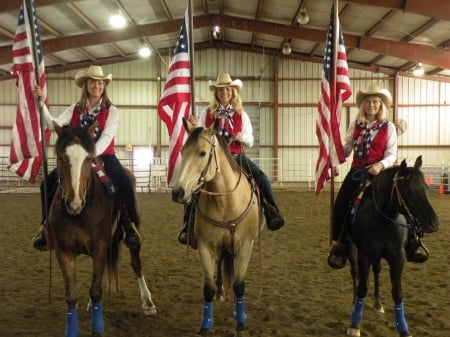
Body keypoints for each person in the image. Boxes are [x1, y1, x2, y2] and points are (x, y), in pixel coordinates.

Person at [31, 65, 141, 250]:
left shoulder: (112, 111)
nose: (96, 86)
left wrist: (89, 154)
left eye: (100, 83)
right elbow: (53, 124)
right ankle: (46, 226)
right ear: (86, 85)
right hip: (76, 158)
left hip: (104, 154)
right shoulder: (75, 108)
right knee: (46, 185)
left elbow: (107, 136)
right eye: (92, 83)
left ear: (104, 86)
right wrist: (41, 104)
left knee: (124, 181)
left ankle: (130, 225)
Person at [327, 84, 428, 269]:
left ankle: (413, 241)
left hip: (382, 173)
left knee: (405, 199)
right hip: (358, 171)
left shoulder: (388, 127)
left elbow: (391, 153)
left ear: (380, 105)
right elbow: (347, 147)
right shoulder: (355, 125)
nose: (371, 105)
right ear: (363, 104)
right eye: (368, 101)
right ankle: (340, 243)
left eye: (375, 101)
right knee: (341, 203)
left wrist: (380, 164)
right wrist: (332, 153)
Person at [178, 73, 284, 246]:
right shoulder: (207, 112)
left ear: (233, 92)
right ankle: (188, 225)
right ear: (216, 92)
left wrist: (242, 136)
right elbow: (200, 137)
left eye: (227, 89)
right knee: (195, 187)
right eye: (221, 90)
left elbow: (251, 139)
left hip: (236, 156)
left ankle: (272, 211)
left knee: (262, 177)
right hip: (213, 158)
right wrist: (196, 126)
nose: (224, 92)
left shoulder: (241, 115)